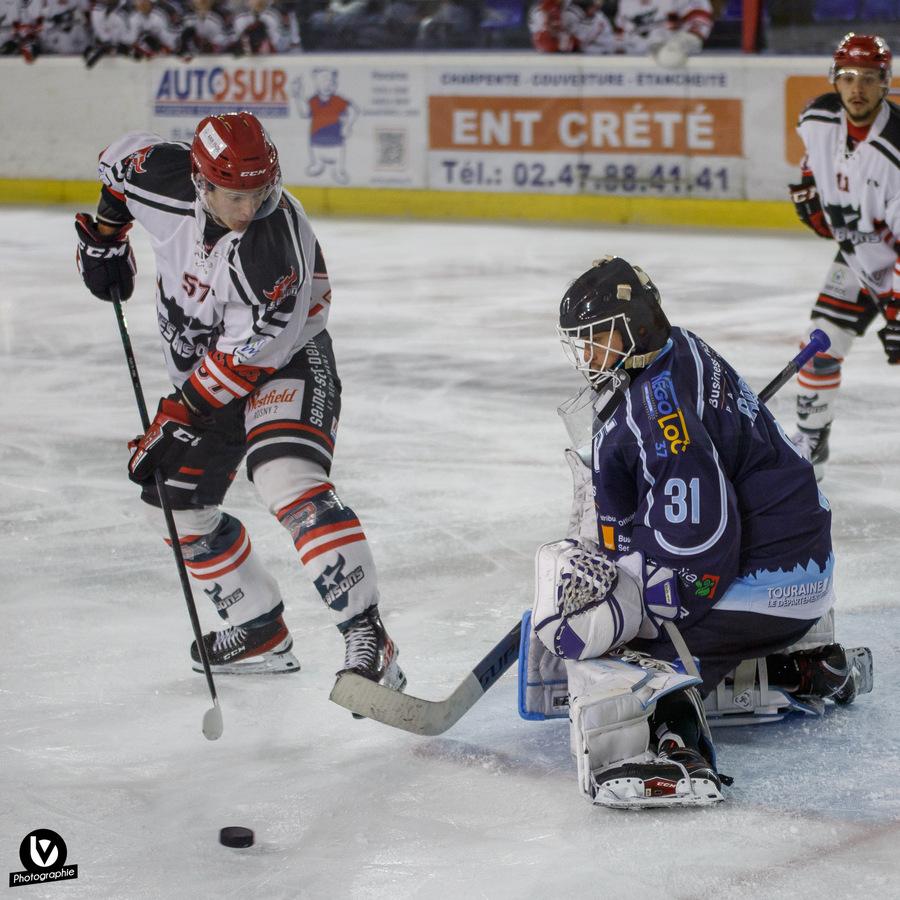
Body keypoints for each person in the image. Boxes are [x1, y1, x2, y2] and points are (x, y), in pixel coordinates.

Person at [73, 111, 407, 697]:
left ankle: (367, 635)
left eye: (260, 192)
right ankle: (257, 629)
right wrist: (106, 235)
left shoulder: (271, 250)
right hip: (207, 375)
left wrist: (175, 416)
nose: (249, 207)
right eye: (235, 194)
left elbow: (243, 362)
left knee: (286, 478)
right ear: (200, 182)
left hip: (286, 359)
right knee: (172, 509)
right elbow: (116, 174)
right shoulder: (158, 174)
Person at [522, 255, 871, 809]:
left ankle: (680, 754)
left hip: (767, 579)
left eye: (595, 338)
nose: (586, 354)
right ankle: (808, 668)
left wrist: (640, 607)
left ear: (632, 328)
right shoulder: (677, 348)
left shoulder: (654, 413)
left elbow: (700, 548)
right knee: (660, 614)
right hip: (803, 570)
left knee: (637, 645)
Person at [789, 33, 899, 480]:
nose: (858, 88)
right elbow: (814, 162)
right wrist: (812, 192)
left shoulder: (895, 150)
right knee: (820, 346)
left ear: (885, 83)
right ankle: (810, 441)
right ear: (835, 79)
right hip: (858, 257)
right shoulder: (817, 117)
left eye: (869, 79)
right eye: (849, 77)